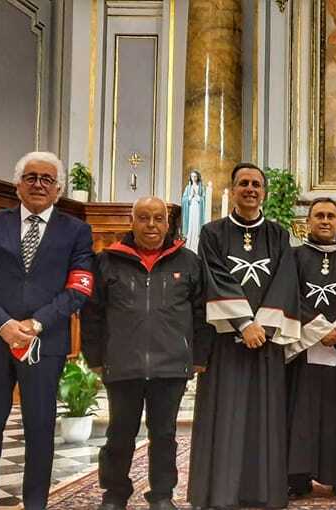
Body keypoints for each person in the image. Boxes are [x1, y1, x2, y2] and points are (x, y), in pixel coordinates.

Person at [0, 151, 94, 510]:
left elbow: (80, 287)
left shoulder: (77, 231)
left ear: (58, 189)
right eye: (31, 177)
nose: (38, 184)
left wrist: (36, 323)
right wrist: (4, 325)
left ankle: (36, 503)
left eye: (47, 179)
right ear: (18, 184)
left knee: (40, 430)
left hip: (45, 343)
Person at [81, 196, 211, 510]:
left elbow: (201, 313)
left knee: (164, 435)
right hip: (123, 363)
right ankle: (114, 494)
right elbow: (92, 313)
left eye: (157, 218)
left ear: (168, 224)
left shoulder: (189, 262)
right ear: (132, 221)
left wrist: (199, 357)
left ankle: (162, 495)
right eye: (143, 218)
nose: (151, 225)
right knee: (119, 435)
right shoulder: (107, 261)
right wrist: (95, 357)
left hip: (170, 366)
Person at [187, 163, 301, 509]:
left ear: (263, 192)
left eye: (256, 184)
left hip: (264, 343)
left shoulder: (279, 234)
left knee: (264, 417)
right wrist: (243, 324)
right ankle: (220, 492)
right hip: (225, 343)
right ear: (233, 190)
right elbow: (214, 277)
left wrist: (262, 328)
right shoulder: (212, 233)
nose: (250, 189)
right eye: (243, 184)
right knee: (226, 416)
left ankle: (263, 491)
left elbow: (285, 281)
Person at [285, 198, 336, 498]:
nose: (325, 220)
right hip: (302, 348)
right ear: (308, 221)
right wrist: (319, 329)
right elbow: (287, 294)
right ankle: (297, 478)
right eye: (318, 215)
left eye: (331, 216)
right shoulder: (292, 258)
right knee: (300, 412)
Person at [181, 170, 208, 253]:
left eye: (195, 176)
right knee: (190, 225)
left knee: (196, 225)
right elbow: (184, 200)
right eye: (192, 176)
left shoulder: (201, 187)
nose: (193, 178)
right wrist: (190, 196)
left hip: (197, 209)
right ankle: (189, 244)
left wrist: (197, 196)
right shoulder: (188, 187)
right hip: (190, 209)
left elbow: (203, 199)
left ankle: (196, 245)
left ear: (197, 177)